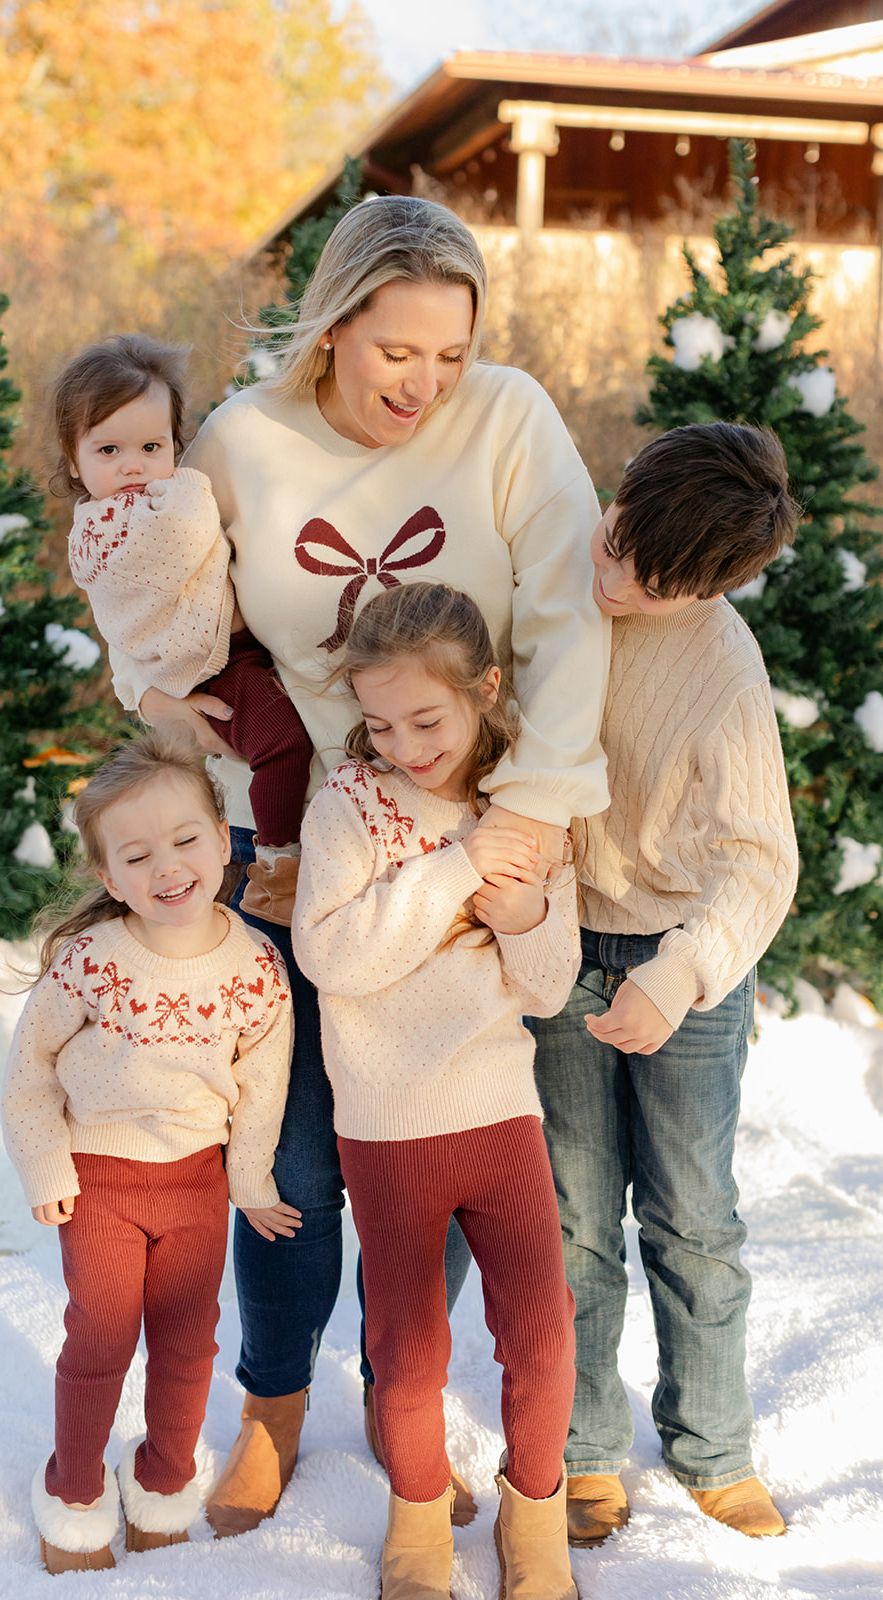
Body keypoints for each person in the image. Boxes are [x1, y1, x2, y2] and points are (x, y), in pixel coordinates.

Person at [105, 194, 610, 1537]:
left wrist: (535, 818)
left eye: (448, 356)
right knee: (291, 1155)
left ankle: (405, 1390)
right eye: (397, 352)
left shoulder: (506, 420)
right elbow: (157, 593)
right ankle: (272, 1404)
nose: (424, 385)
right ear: (331, 326)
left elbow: (562, 620)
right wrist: (145, 685)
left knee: (449, 1148)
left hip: (472, 833)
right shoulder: (241, 443)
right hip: (300, 848)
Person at [530, 422, 800, 1547]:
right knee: (571, 1217)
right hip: (555, 953)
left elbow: (759, 863)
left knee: (689, 1218)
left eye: (646, 579)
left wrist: (676, 976)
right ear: (623, 480)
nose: (612, 576)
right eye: (614, 538)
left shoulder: (721, 668)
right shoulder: (553, 583)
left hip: (681, 957)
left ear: (710, 586)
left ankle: (711, 1443)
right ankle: (584, 1448)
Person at [293, 583, 580, 1600]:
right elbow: (332, 955)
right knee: (406, 1352)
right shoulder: (349, 808)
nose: (406, 745)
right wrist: (452, 869)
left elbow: (547, 984)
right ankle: (415, 1519)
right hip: (386, 1125)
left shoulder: (525, 812)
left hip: (499, 1113)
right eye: (379, 724)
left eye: (427, 719)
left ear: (484, 690)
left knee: (541, 1333)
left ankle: (532, 1516)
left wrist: (526, 909)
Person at [1, 732, 296, 1573]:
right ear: (108, 878)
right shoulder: (93, 963)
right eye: (136, 855)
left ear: (221, 832)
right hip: (99, 1181)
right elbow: (29, 1074)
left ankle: (163, 1480)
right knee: (100, 1336)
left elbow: (260, 1085)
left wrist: (249, 1180)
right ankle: (72, 1493)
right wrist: (47, 1166)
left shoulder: (256, 966)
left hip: (196, 1184)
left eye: (186, 839)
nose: (167, 867)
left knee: (186, 1339)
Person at [54, 334, 313, 925]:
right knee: (282, 742)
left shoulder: (143, 505)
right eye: (108, 449)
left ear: (177, 443)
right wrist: (189, 486)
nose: (133, 465)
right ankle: (278, 863)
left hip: (227, 653)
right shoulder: (112, 531)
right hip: (213, 666)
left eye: (152, 445)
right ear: (74, 460)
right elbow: (188, 534)